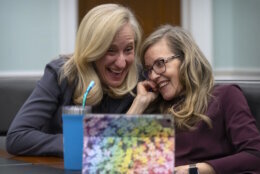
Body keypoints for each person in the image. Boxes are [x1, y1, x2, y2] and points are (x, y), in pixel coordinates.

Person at [6, 3, 142, 157]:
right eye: (110, 50)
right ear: (92, 49)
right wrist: (79, 144)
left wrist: (138, 106)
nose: (121, 63)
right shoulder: (62, 73)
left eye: (129, 49)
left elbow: (132, 149)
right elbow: (17, 136)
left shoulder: (141, 84)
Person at [127, 25, 260, 173]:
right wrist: (138, 105)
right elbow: (112, 162)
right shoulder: (154, 108)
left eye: (160, 64)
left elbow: (255, 155)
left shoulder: (224, 96)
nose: (153, 76)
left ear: (186, 59)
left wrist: (193, 170)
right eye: (149, 69)